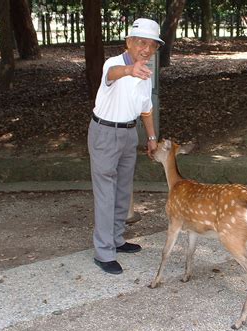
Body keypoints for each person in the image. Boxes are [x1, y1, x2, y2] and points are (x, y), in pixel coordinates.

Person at [88, 18, 163, 275]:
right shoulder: (115, 63)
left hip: (129, 133)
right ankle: (104, 252)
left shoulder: (145, 74)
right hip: (105, 132)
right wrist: (129, 71)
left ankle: (117, 240)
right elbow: (111, 75)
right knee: (106, 192)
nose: (146, 49)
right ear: (129, 42)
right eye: (141, 42)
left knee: (123, 189)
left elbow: (146, 110)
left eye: (152, 45)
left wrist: (152, 139)